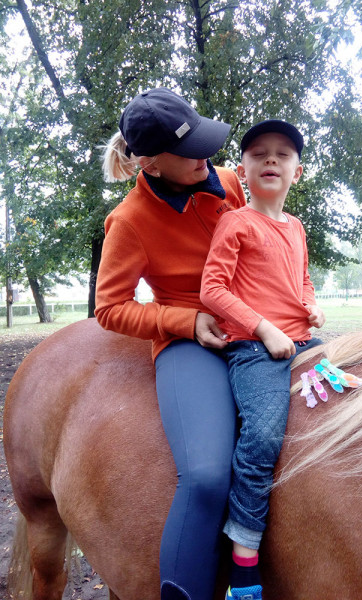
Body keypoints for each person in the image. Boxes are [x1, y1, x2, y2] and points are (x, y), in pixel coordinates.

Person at [95, 87, 247, 600]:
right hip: (192, 342)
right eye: (190, 152)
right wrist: (185, 321)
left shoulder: (229, 183)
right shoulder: (129, 221)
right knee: (205, 476)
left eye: (204, 142)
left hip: (257, 325)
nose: (206, 158)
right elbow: (110, 308)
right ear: (151, 164)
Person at [200, 120, 325, 600]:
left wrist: (311, 305)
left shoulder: (297, 227)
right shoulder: (236, 222)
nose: (271, 159)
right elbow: (213, 290)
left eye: (283, 154)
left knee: (352, 393)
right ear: (242, 170)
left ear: (297, 171)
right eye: (258, 153)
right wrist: (264, 328)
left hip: (303, 340)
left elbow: (302, 279)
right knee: (264, 434)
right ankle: (244, 555)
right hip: (254, 350)